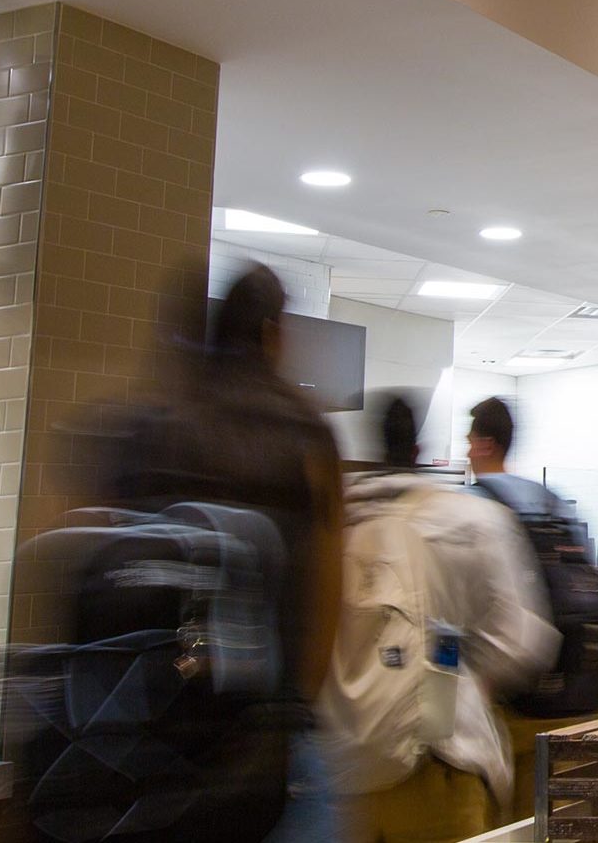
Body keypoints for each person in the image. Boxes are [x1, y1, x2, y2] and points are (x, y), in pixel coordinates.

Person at [106, 264, 346, 842]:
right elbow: (327, 595)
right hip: (259, 737)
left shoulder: (148, 422)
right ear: (272, 332)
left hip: (147, 734)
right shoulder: (306, 431)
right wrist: (295, 714)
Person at [318, 395, 559, 842]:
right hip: (443, 758)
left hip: (346, 779)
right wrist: (461, 677)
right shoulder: (471, 519)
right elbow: (522, 640)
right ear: (419, 451)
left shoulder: (337, 524)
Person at [464, 396, 598, 825]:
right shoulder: (550, 499)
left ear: (484, 443)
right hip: (581, 691)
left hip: (514, 699)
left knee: (515, 820)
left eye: (470, 441)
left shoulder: (476, 503)